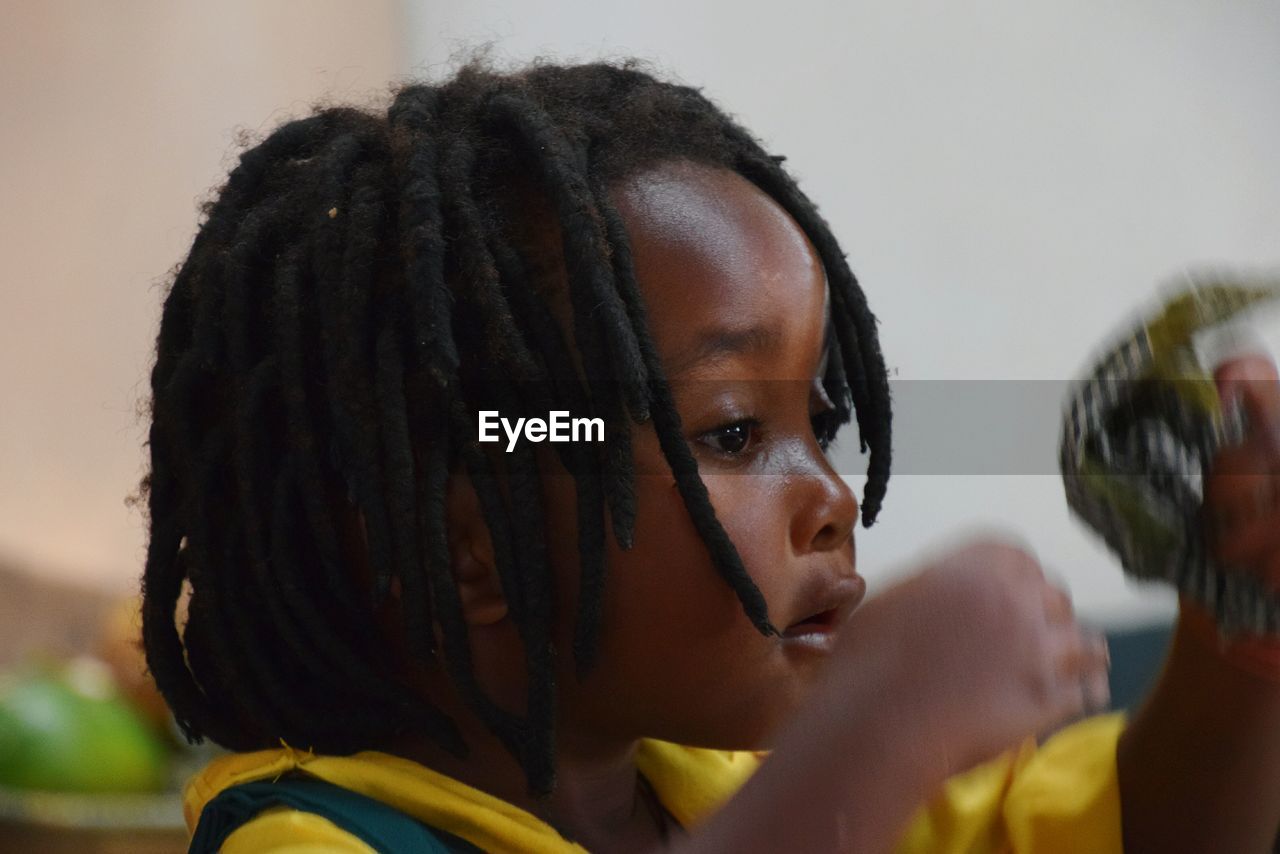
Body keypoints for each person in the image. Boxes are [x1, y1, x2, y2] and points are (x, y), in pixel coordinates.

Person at [140, 59, 1280, 852]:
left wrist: (1240, 634)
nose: (831, 498)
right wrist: (873, 733)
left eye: (818, 428)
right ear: (472, 546)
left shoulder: (714, 788)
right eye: (731, 432)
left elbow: (1151, 830)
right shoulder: (305, 837)